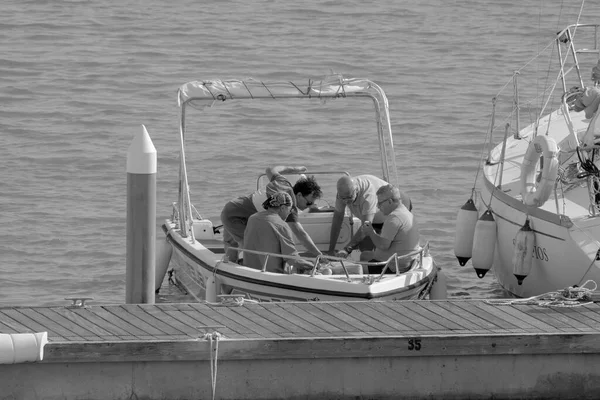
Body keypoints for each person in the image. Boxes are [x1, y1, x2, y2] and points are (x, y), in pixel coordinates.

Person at [220, 165, 323, 262]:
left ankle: (227, 265)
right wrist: (319, 255)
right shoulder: (287, 206)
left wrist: (294, 169)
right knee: (248, 247)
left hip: (236, 207)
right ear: (299, 195)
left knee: (233, 249)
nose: (309, 207)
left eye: (312, 204)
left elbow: (270, 169)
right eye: (308, 203)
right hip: (233, 215)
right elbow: (301, 234)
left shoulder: (283, 182)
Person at [327, 174, 411, 257]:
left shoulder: (367, 195)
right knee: (364, 247)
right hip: (376, 218)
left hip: (399, 207)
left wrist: (346, 249)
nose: (345, 202)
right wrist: (331, 250)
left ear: (356, 190)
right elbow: (337, 219)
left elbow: (366, 225)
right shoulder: (342, 193)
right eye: (343, 198)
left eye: (349, 198)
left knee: (387, 248)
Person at [244, 192, 314, 273]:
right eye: (290, 210)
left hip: (249, 271)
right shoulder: (282, 225)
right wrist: (314, 265)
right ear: (283, 208)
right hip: (270, 274)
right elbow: (292, 260)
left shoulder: (252, 218)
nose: (289, 213)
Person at [359, 184, 420, 274]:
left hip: (391, 267)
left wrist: (371, 232)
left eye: (380, 203)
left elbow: (383, 245)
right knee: (364, 255)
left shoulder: (394, 218)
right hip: (406, 261)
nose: (378, 206)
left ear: (390, 201)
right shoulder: (405, 212)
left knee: (354, 268)